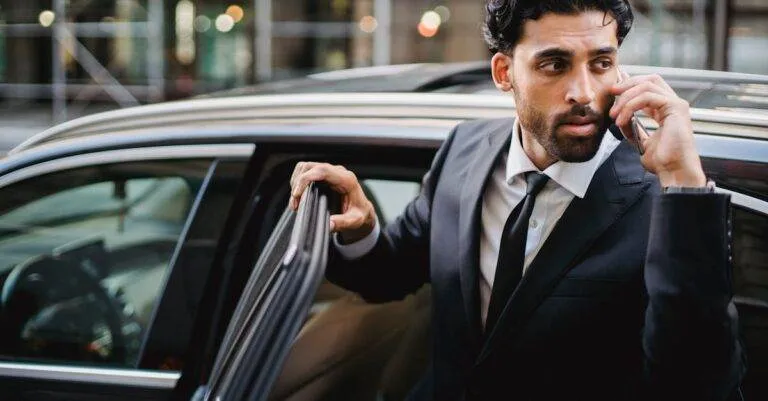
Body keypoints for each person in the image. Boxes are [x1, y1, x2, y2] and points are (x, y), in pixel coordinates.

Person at [288, 0, 745, 400]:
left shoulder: (665, 200)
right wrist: (364, 229)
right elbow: (391, 273)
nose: (584, 93)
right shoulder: (464, 151)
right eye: (555, 64)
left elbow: (696, 384)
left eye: (601, 63)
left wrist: (683, 180)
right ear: (505, 73)